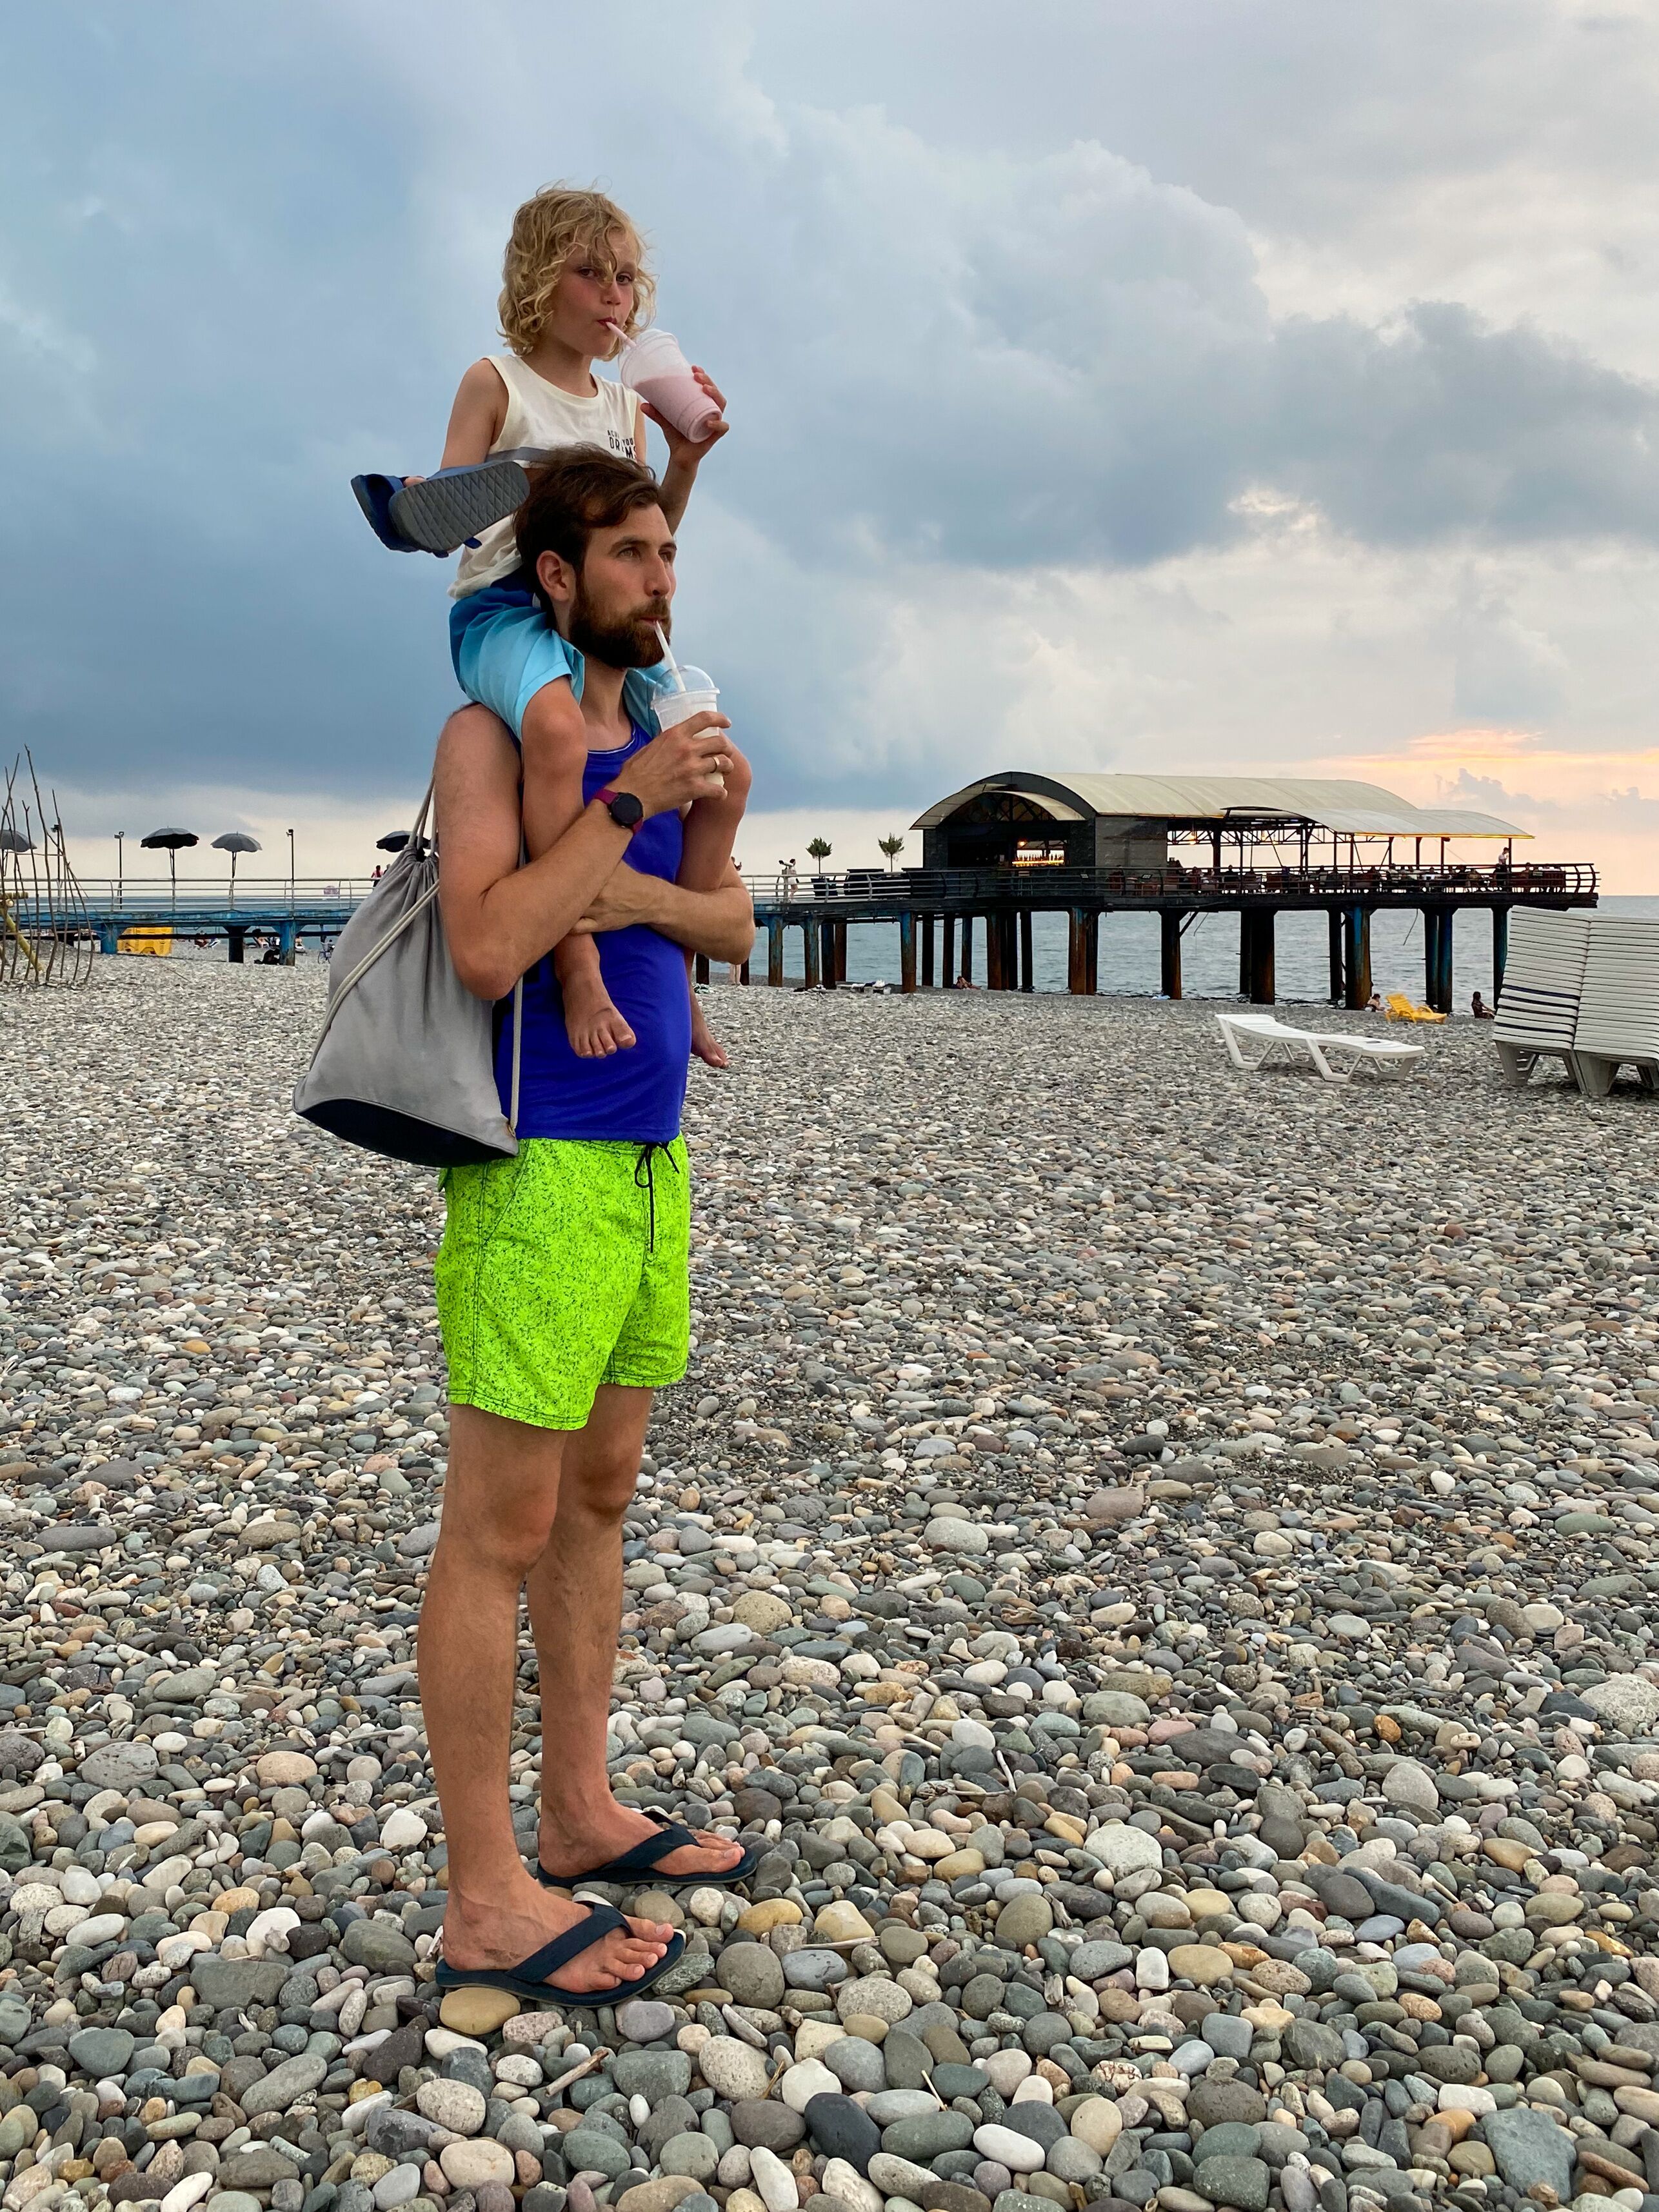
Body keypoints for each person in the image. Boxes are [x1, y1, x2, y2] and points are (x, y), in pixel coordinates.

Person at [421, 453, 757, 2009]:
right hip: (535, 1158)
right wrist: (623, 818)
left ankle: (577, 1807)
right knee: (494, 1525)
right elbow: (491, 945)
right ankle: (483, 1894)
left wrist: (627, 893)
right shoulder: (490, 737)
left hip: (646, 1155)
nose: (660, 578)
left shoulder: (676, 738)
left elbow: (730, 923)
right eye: (629, 552)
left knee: (599, 1495)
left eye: (667, 549)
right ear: (554, 576)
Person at [361, 185, 744, 1071]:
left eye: (626, 278)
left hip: (592, 620)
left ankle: (679, 977)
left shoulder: (624, 406)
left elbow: (644, 537)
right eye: (591, 274)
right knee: (558, 730)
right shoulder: (495, 384)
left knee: (724, 768)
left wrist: (683, 461)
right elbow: (454, 517)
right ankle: (575, 964)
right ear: (539, 282)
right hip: (503, 606)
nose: (615, 294)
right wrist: (431, 504)